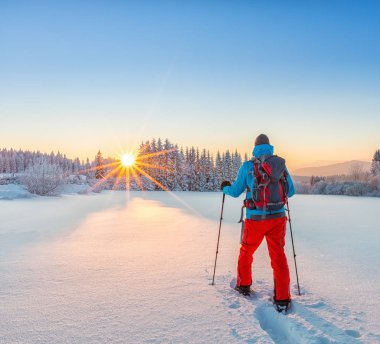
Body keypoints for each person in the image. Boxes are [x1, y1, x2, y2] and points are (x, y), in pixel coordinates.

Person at [221, 134, 295, 312]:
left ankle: (244, 285)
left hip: (255, 219)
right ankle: (282, 298)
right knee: (278, 256)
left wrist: (225, 187)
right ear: (269, 146)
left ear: (254, 147)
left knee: (246, 251)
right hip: (278, 218)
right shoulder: (280, 165)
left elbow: (236, 190)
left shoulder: (248, 166)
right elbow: (291, 191)